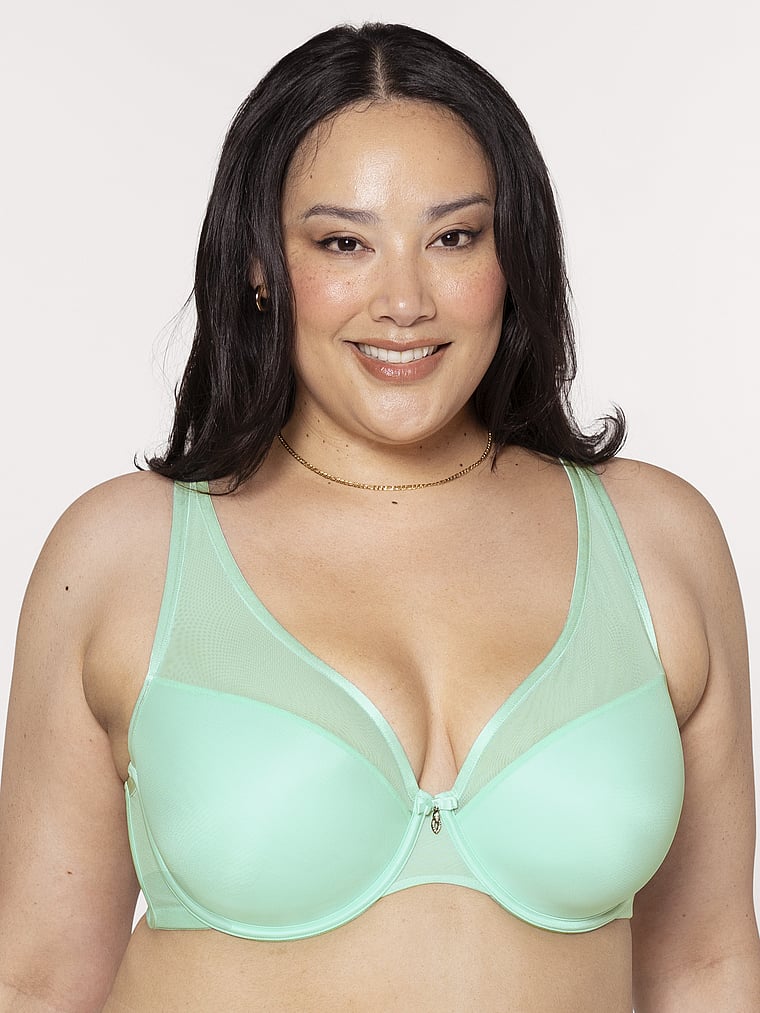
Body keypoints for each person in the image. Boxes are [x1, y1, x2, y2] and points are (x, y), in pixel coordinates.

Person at [1, 20, 758, 1012]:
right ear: (259, 265)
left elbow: (705, 963)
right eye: (343, 243)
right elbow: (38, 978)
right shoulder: (120, 555)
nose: (404, 301)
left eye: (454, 237)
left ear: (513, 253)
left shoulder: (658, 540)